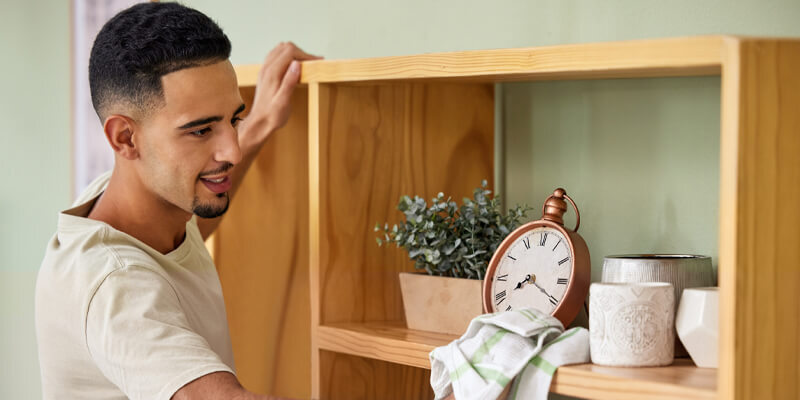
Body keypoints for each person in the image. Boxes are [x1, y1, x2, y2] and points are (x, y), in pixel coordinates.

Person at [34, 3, 319, 399]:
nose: (232, 151)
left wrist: (261, 122)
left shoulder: (138, 199)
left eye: (233, 119)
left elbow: (190, 224)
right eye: (201, 130)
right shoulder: (117, 285)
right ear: (125, 139)